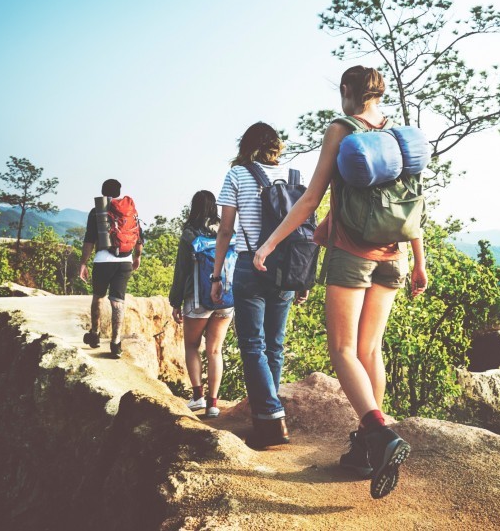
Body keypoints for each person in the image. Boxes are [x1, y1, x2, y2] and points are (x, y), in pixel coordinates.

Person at [252, 66, 427, 499]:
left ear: (347, 92)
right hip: (397, 254)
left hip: (353, 257)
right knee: (371, 350)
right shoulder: (398, 136)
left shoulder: (341, 130)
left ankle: (380, 435)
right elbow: (412, 204)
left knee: (343, 350)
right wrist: (421, 263)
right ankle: (366, 448)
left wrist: (270, 243)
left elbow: (311, 196)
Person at [212, 122, 308, 449]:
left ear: (246, 145)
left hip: (251, 265)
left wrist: (216, 275)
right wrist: (303, 276)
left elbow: (225, 230)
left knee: (253, 345)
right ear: (276, 145)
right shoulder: (296, 175)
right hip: (287, 266)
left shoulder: (238, 174)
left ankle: (270, 418)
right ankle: (270, 414)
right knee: (275, 345)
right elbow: (304, 228)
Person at [168, 190, 234, 418]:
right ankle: (213, 404)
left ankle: (197, 397)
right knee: (215, 350)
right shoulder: (227, 229)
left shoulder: (190, 233)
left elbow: (181, 270)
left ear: (194, 207)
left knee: (192, 346)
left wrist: (175, 302)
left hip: (198, 299)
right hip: (225, 299)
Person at [80, 178, 143, 358]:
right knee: (118, 301)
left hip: (102, 261)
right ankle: (115, 343)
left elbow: (89, 240)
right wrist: (136, 257)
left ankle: (95, 335)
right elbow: (139, 238)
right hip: (125, 261)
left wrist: (83, 263)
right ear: (119, 191)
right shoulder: (131, 211)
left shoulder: (97, 211)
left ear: (103, 192)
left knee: (98, 298)